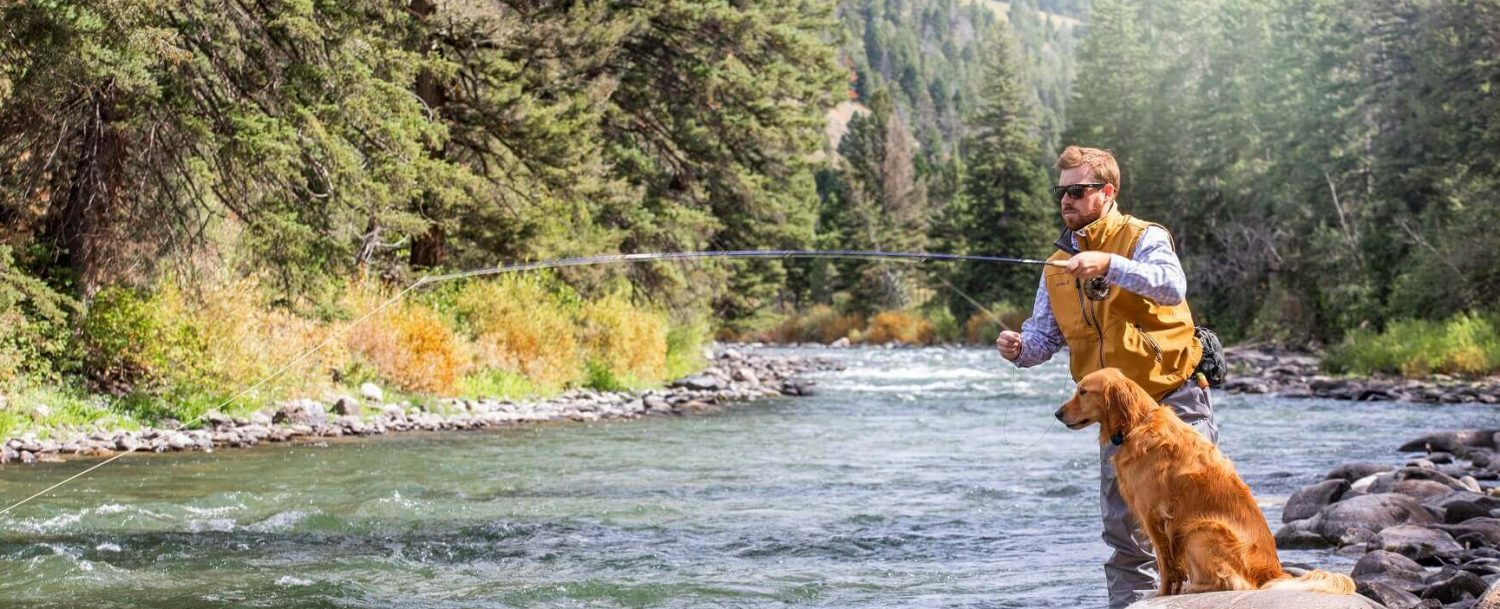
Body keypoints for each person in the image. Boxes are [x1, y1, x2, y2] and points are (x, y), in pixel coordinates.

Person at [995, 145, 1215, 609]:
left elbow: (1172, 284)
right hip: (1113, 418)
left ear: (1107, 191)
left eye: (1077, 191)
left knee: (1194, 515)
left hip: (1171, 397)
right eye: (1061, 192)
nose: (1065, 200)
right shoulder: (1056, 265)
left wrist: (1110, 265)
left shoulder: (1143, 237)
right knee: (1125, 532)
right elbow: (1042, 337)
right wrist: (1019, 348)